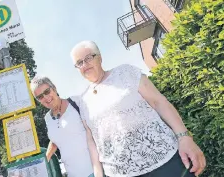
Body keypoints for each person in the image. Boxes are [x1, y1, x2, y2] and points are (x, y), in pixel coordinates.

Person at [69, 40, 206, 177]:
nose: (85, 65)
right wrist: (99, 174)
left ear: (99, 57)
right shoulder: (83, 101)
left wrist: (184, 138)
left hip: (165, 161)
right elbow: (91, 139)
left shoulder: (125, 72)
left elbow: (159, 102)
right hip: (120, 173)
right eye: (79, 63)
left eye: (88, 58)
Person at [30, 76, 103, 177]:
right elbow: (56, 139)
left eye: (47, 91)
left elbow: (97, 128)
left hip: (95, 170)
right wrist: (45, 158)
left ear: (54, 88)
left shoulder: (76, 102)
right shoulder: (47, 118)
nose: (46, 98)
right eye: (40, 97)